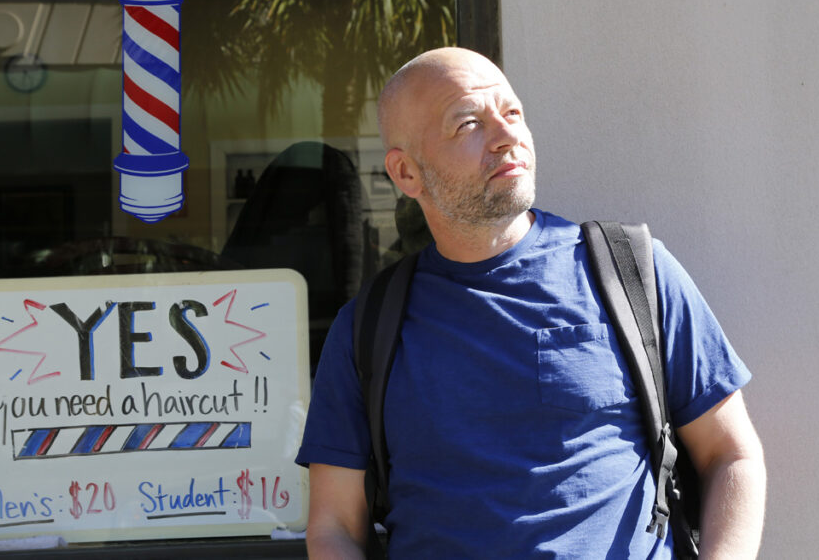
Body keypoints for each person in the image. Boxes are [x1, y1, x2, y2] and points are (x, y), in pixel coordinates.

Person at [295, 47, 766, 559]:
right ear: (407, 174)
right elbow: (335, 526)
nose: (507, 135)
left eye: (512, 112)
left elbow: (729, 454)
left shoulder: (632, 272)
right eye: (469, 123)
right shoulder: (367, 328)